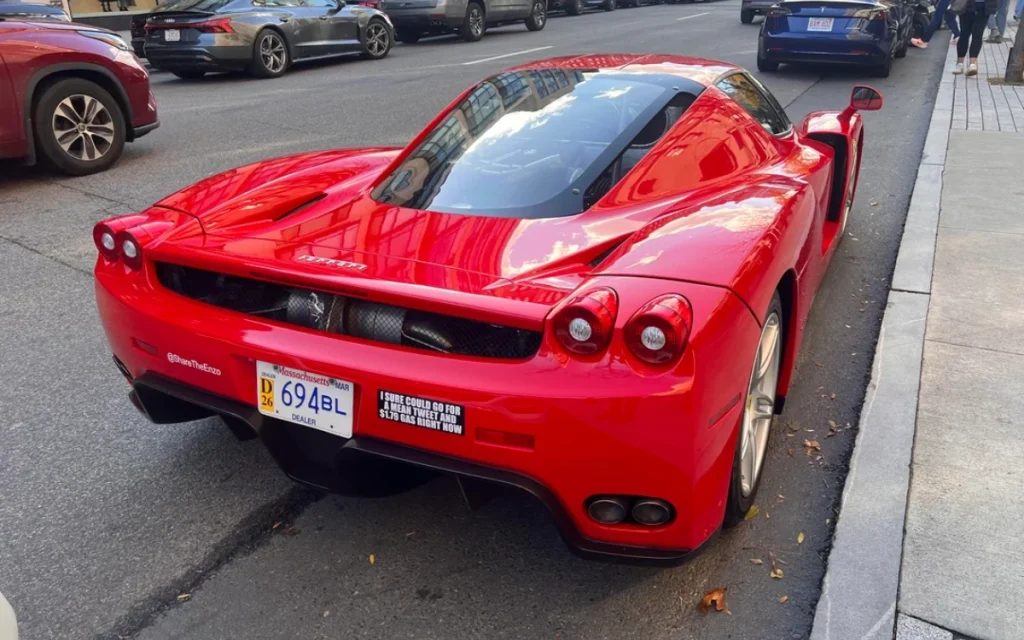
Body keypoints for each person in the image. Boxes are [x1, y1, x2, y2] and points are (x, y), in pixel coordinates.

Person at [955, 0, 996, 76]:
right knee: (965, 33)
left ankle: (971, 64)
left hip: (984, 6)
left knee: (977, 34)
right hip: (967, 5)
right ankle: (961, 63)